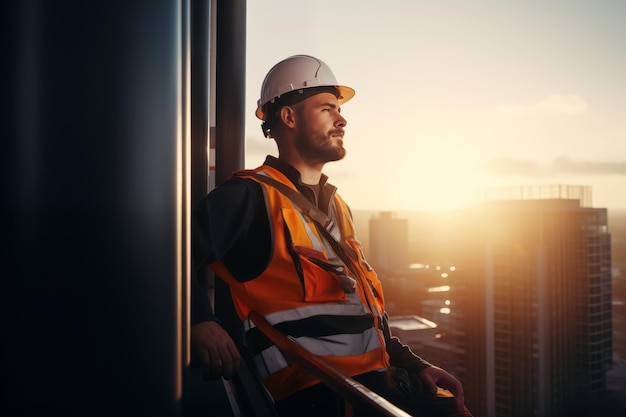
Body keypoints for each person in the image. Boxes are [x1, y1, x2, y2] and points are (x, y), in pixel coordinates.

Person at [191, 54, 472, 417]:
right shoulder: (249, 197)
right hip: (318, 397)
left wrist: (414, 365)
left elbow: (361, 311)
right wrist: (198, 321)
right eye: (327, 109)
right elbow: (162, 251)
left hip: (377, 386)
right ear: (289, 117)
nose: (342, 120)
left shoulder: (338, 207)